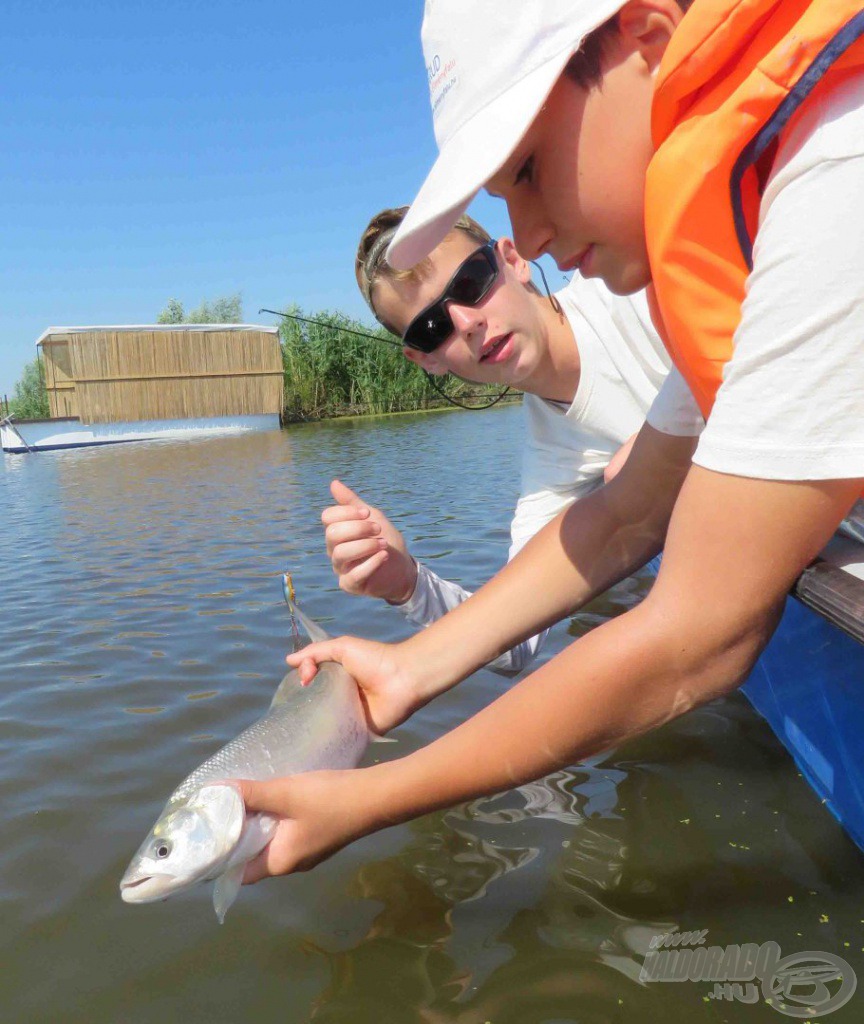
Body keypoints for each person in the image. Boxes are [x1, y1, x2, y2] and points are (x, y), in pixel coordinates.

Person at [239, 0, 864, 881]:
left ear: (649, 39)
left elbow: (700, 631)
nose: (531, 232)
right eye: (426, 332)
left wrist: (366, 800)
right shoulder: (708, 278)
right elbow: (621, 519)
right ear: (425, 363)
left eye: (528, 170)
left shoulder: (830, 175)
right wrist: (410, 645)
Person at [322, 205, 701, 674]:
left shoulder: (631, 289)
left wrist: (660, 451)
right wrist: (406, 584)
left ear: (513, 260)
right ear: (426, 360)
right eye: (432, 328)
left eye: (470, 283)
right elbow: (513, 646)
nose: (465, 322)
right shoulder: (551, 465)